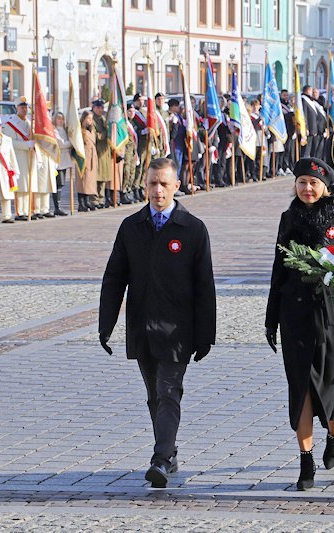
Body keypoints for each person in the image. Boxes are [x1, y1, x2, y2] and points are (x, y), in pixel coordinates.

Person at [99, 157, 216, 490]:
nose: (158, 190)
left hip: (178, 330)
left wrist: (206, 335)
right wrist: (105, 325)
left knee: (168, 392)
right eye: (152, 183)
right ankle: (170, 451)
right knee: (154, 396)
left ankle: (160, 460)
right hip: (142, 327)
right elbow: (114, 277)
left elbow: (204, 285)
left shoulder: (192, 229)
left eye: (164, 183)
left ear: (176, 186)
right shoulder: (131, 227)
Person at [264, 157, 334, 491]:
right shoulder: (287, 219)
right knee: (300, 387)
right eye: (302, 182)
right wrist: (270, 318)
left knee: (330, 385)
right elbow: (279, 268)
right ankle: (306, 462)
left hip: (332, 315)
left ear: (325, 187)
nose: (307, 188)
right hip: (295, 315)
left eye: (313, 183)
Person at [4, 97, 37, 220]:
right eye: (22, 107)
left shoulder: (29, 122)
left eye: (26, 107)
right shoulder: (11, 123)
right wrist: (25, 145)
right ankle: (20, 212)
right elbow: (9, 142)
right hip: (19, 157)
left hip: (30, 157)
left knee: (29, 184)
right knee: (21, 185)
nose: (24, 109)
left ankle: (28, 210)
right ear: (16, 108)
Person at [77, 110, 99, 211]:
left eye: (91, 119)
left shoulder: (92, 130)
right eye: (88, 119)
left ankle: (87, 201)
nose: (90, 121)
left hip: (92, 157)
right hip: (84, 157)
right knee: (83, 182)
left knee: (89, 182)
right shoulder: (80, 131)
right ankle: (81, 203)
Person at [92, 99, 112, 208]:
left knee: (103, 177)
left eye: (102, 108)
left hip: (105, 151)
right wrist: (107, 132)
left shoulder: (103, 119)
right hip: (97, 151)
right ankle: (95, 199)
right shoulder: (92, 120)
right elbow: (96, 136)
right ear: (94, 108)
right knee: (97, 177)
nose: (100, 110)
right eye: (98, 107)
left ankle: (101, 198)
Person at [52, 112, 71, 216]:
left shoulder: (63, 130)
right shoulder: (54, 131)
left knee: (61, 183)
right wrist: (72, 142)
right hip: (57, 161)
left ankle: (58, 206)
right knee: (57, 183)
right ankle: (56, 207)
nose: (60, 121)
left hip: (64, 160)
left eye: (62, 119)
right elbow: (62, 144)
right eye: (58, 119)